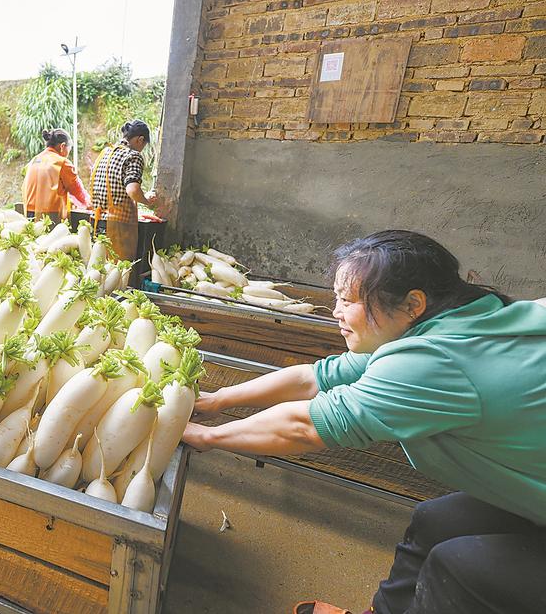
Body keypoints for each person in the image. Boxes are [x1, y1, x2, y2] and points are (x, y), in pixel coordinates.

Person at [182, 230, 546, 614]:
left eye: (347, 300)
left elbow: (309, 425)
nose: (335, 310)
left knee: (458, 567)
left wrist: (207, 437)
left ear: (413, 304)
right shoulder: (450, 319)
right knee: (434, 520)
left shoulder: (431, 360)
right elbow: (316, 377)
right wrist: (216, 400)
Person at [90, 119, 158, 262]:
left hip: (97, 221)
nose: (142, 150)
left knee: (98, 270)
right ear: (140, 140)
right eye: (144, 146)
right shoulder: (133, 156)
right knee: (119, 272)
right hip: (118, 226)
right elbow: (132, 190)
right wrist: (146, 201)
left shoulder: (104, 153)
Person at [21, 128, 91, 224]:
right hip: (49, 217)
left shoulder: (34, 160)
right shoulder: (62, 163)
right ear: (62, 146)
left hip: (28, 213)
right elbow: (77, 191)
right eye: (69, 149)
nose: (68, 154)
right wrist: (90, 205)